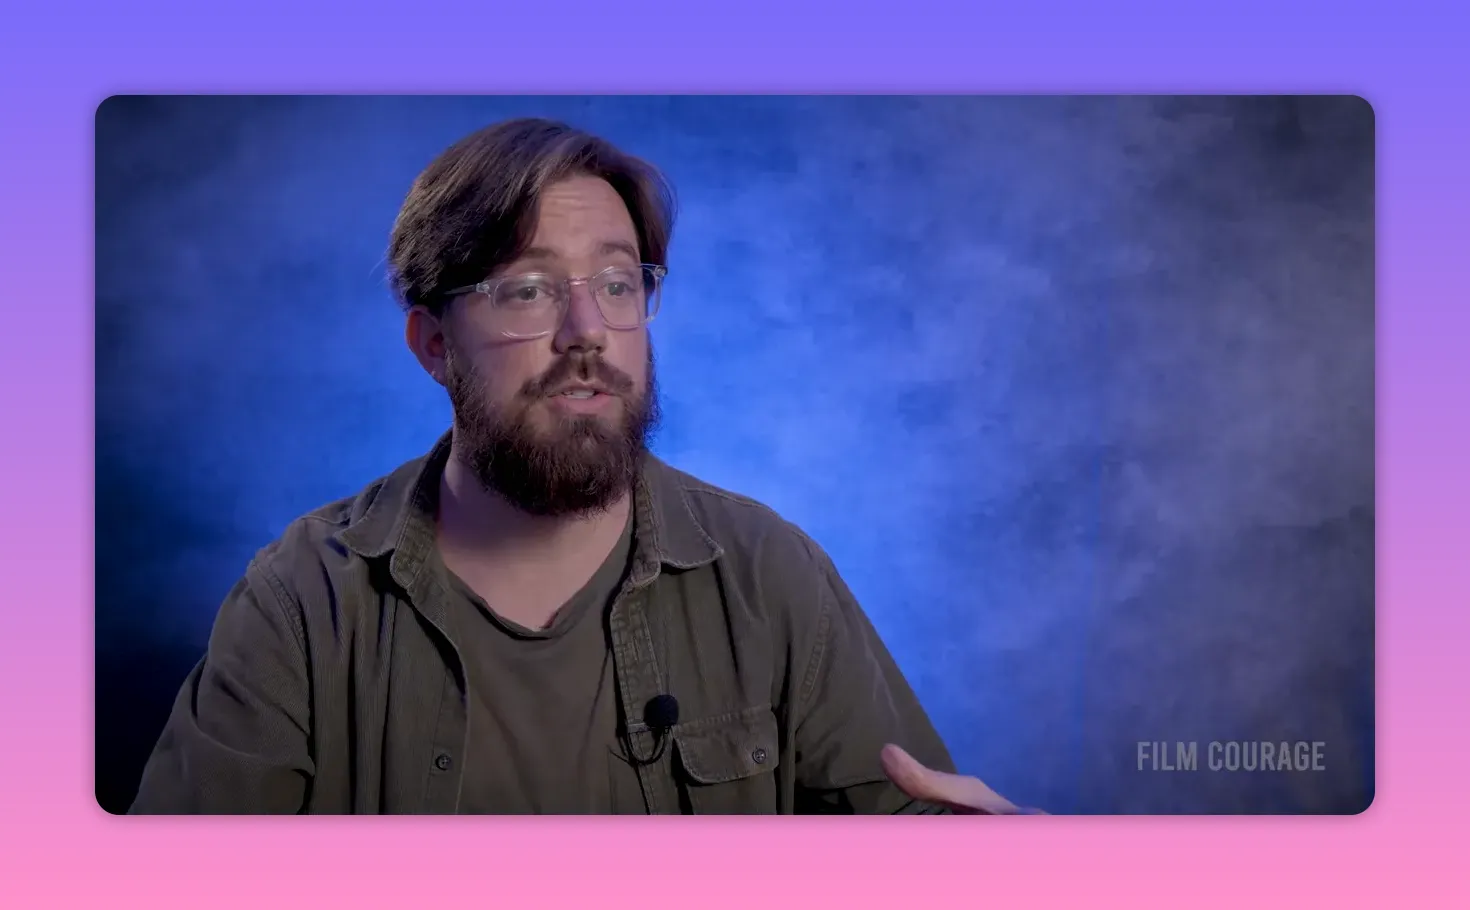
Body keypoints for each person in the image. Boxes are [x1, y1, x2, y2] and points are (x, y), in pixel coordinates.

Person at [129, 117, 1035, 815]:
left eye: (616, 284)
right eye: (527, 289)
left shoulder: (770, 574)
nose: (587, 331)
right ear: (434, 344)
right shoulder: (304, 599)